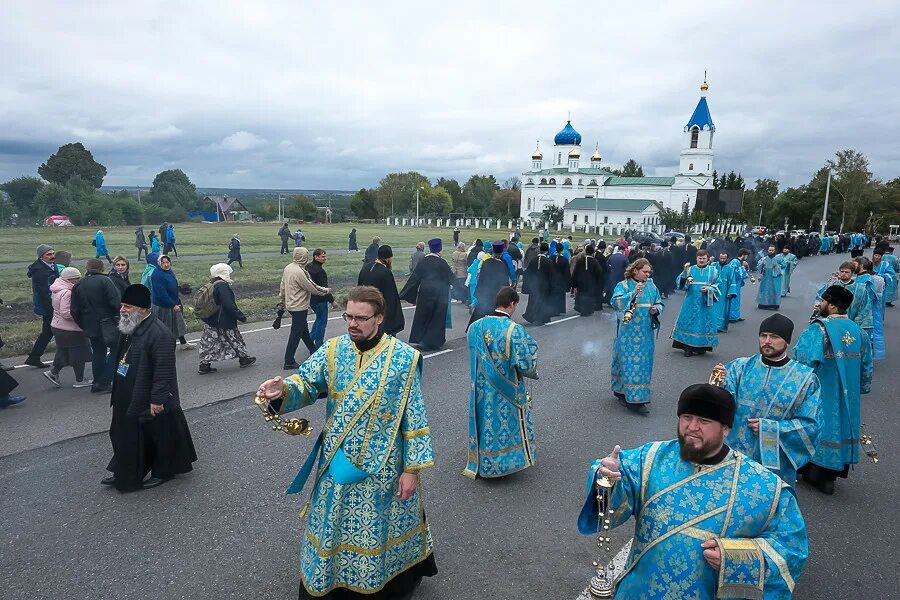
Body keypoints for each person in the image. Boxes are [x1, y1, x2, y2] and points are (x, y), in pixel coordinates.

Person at [255, 286, 437, 599]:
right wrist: (282, 390)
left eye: (361, 318)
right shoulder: (333, 349)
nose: (352, 323)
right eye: (348, 316)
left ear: (379, 318)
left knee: (379, 528)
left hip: (384, 466)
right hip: (337, 460)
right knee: (330, 526)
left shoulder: (403, 360)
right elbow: (307, 383)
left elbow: (414, 417)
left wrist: (412, 469)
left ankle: (389, 584)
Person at [579, 383, 808, 598]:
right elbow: (617, 475)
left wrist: (735, 559)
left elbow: (791, 550)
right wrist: (606, 475)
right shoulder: (651, 458)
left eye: (704, 420)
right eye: (686, 417)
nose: (692, 427)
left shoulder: (764, 487)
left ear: (726, 428)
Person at [103, 284, 197, 492]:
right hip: (127, 391)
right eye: (122, 305)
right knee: (122, 432)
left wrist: (157, 400)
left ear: (143, 309)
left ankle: (163, 472)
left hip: (150, 395)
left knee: (158, 436)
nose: (123, 310)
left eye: (128, 306)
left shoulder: (159, 333)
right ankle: (123, 469)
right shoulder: (129, 326)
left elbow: (164, 371)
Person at [715, 313, 820, 487]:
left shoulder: (805, 379)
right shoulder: (740, 366)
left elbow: (811, 426)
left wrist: (772, 428)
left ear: (787, 341)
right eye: (763, 335)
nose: (767, 341)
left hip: (775, 460)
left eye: (774, 337)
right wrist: (720, 382)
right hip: (735, 452)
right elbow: (722, 403)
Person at [794, 285, 873, 495]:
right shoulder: (859, 332)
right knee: (842, 427)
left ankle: (813, 473)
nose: (819, 304)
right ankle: (830, 475)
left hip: (823, 391)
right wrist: (861, 388)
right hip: (850, 395)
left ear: (831, 305)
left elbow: (802, 362)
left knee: (821, 425)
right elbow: (867, 367)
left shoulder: (819, 329)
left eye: (822, 301)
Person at [464, 287, 539, 478]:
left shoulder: (475, 327)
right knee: (503, 424)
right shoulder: (514, 330)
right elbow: (526, 363)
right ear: (513, 304)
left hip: (480, 389)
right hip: (507, 390)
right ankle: (502, 465)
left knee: (484, 422)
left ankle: (482, 462)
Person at [610, 258, 664, 412]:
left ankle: (636, 396)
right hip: (627, 334)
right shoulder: (624, 285)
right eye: (645, 271)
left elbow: (660, 303)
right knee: (627, 363)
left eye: (649, 272)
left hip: (646, 333)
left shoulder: (652, 287)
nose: (648, 274)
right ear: (635, 271)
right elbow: (615, 302)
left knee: (643, 365)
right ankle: (632, 400)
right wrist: (632, 294)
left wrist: (656, 309)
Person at [72, 259, 123, 393]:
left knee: (98, 353)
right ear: (101, 268)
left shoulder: (79, 284)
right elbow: (115, 302)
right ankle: (104, 381)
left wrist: (83, 324)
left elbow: (74, 310)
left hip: (90, 324)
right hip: (108, 322)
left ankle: (97, 381)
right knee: (116, 352)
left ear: (87, 268)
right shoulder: (105, 281)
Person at [197, 264, 256, 374]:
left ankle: (204, 364)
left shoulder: (212, 284)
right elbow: (228, 305)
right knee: (233, 339)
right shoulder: (222, 286)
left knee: (209, 342)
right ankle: (244, 358)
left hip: (211, 318)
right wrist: (240, 316)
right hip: (222, 319)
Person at [279, 247, 331, 369]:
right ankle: (289, 360)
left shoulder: (289, 268)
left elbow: (282, 285)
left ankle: (313, 350)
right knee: (296, 333)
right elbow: (311, 287)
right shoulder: (299, 271)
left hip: (291, 304)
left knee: (304, 331)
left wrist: (282, 300)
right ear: (303, 257)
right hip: (299, 306)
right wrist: (325, 291)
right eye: (306, 255)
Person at [400, 238, 454, 351]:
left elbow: (414, 278)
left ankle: (421, 339)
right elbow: (450, 278)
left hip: (425, 293)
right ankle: (434, 342)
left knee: (423, 316)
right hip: (439, 294)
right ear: (439, 250)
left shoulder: (424, 261)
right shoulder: (442, 262)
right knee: (436, 318)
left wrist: (405, 293)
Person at [43, 267, 92, 388]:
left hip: (57, 327)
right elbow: (66, 312)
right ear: (70, 279)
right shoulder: (68, 292)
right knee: (79, 353)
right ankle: (80, 380)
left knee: (63, 352)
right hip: (70, 329)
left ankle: (53, 373)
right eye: (77, 278)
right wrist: (81, 318)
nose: (79, 280)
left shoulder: (57, 289)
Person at [671, 250, 719, 357]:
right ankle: (687, 348)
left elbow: (718, 285)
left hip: (705, 302)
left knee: (703, 323)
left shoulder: (713, 271)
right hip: (691, 301)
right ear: (696, 258)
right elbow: (681, 285)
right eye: (699, 258)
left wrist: (709, 288)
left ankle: (701, 347)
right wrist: (684, 272)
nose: (701, 260)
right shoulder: (690, 270)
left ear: (707, 259)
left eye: (704, 258)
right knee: (689, 322)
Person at [358, 245, 405, 336]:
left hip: (365, 309)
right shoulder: (386, 272)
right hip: (380, 312)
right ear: (388, 258)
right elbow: (391, 297)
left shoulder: (365, 268)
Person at [150, 255, 194, 350]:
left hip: (173, 302)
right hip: (163, 306)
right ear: (159, 263)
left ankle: (182, 343)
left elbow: (172, 284)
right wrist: (172, 304)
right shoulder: (157, 275)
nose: (166, 265)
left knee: (176, 325)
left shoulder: (169, 271)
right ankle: (165, 350)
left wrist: (180, 289)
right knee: (166, 329)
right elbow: (161, 293)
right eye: (163, 263)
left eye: (167, 262)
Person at [25, 244, 58, 368]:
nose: (52, 256)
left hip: (53, 303)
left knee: (49, 331)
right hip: (48, 306)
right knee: (49, 331)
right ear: (41, 257)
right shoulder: (40, 271)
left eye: (53, 253)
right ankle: (34, 357)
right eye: (48, 254)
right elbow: (44, 293)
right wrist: (52, 309)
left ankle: (34, 356)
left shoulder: (50, 266)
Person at [470, 241, 514, 326]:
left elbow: (481, 277)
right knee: (493, 315)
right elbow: (504, 282)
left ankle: (473, 328)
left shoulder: (486, 262)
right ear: (501, 253)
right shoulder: (502, 264)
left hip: (484, 292)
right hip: (495, 293)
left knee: (480, 313)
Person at [306, 248, 337, 350]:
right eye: (322, 256)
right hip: (320, 300)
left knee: (318, 320)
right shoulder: (320, 271)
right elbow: (324, 290)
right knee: (322, 322)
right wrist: (332, 301)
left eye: (325, 256)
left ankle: (310, 339)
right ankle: (318, 345)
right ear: (316, 257)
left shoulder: (308, 267)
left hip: (311, 299)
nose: (325, 258)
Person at [522, 242, 554, 326]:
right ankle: (541, 318)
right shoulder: (548, 261)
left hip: (534, 284)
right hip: (544, 285)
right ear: (547, 251)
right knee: (543, 301)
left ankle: (531, 316)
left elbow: (528, 273)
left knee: (533, 300)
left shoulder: (533, 260)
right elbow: (551, 275)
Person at [570, 244, 604, 316]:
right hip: (591, 282)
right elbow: (599, 272)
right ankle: (587, 310)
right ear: (592, 252)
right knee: (589, 296)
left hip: (581, 281)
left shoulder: (580, 260)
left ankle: (581, 307)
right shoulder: (594, 261)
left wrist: (574, 282)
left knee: (581, 295)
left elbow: (575, 271)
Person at [711, 252, 740, 332]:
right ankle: (711, 325)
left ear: (727, 259)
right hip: (713, 292)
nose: (722, 260)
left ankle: (720, 327)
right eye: (721, 258)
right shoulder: (714, 265)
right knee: (712, 308)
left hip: (724, 293)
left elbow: (732, 281)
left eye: (724, 258)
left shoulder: (729, 268)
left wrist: (730, 293)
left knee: (722, 310)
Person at [756, 245, 784, 310]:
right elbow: (758, 266)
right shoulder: (764, 259)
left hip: (775, 278)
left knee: (775, 290)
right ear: (768, 251)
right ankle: (763, 303)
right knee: (764, 289)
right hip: (766, 277)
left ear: (775, 251)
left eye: (772, 250)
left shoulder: (779, 258)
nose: (771, 251)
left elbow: (784, 266)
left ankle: (774, 304)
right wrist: (762, 264)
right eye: (770, 250)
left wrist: (777, 266)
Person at [549, 241, 571, 315]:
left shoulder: (551, 258)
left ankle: (552, 308)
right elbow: (567, 272)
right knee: (560, 295)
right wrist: (568, 283)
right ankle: (559, 309)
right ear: (562, 250)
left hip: (552, 279)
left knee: (552, 294)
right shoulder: (564, 260)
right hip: (561, 280)